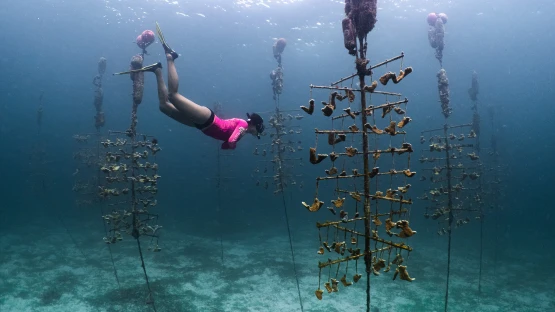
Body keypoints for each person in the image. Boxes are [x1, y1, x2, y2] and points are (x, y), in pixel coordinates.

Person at [116, 22, 264, 150]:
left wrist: (233, 141)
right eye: (258, 132)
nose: (257, 134)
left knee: (164, 106)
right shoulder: (243, 125)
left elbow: (225, 145)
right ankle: (170, 57)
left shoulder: (242, 127)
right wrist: (236, 139)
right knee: (173, 96)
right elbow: (230, 143)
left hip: (200, 125)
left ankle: (157, 71)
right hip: (207, 119)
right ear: (255, 126)